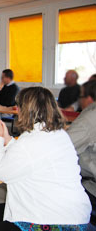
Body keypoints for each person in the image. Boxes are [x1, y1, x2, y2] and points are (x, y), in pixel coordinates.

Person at [0, 87, 91, 231]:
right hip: (75, 215)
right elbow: (28, 157)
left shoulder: (29, 142)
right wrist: (7, 139)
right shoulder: (59, 134)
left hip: (52, 222)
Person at [67, 80, 96, 215]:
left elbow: (64, 146)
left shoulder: (90, 118)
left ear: (89, 99)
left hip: (91, 186)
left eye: (81, 97)